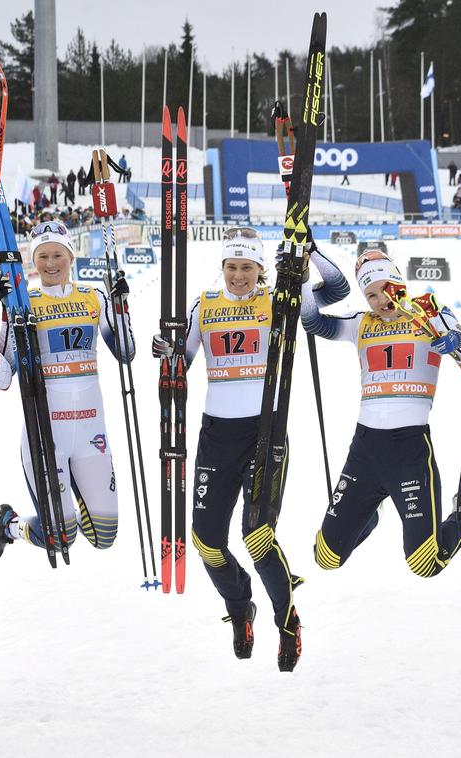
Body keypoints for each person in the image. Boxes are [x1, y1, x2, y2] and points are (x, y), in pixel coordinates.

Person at [149, 228, 347, 672]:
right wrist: (168, 353)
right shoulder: (205, 305)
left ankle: (287, 619)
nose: (239, 275)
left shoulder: (279, 300)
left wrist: (308, 256)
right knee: (206, 542)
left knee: (257, 538)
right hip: (216, 435)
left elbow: (336, 289)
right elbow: (183, 359)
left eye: (248, 267)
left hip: (265, 435)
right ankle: (241, 607)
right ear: (222, 268)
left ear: (261, 269)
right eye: (232, 267)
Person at [303, 249, 461, 579]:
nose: (380, 298)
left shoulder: (428, 311)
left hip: (409, 451)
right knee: (325, 556)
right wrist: (305, 268)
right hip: (365, 450)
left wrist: (455, 340)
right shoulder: (361, 323)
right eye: (370, 293)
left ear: (398, 281)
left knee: (424, 564)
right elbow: (313, 322)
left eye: (386, 287)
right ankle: (369, 515)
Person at [0, 221, 133, 562]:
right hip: (46, 432)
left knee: (105, 534)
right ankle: (10, 525)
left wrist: (120, 307)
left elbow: (125, 352)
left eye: (57, 255)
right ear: (34, 261)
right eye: (43, 256)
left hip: (91, 433)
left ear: (71, 255)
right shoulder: (25, 302)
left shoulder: (94, 297)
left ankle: (62, 505)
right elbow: (4, 376)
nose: (51, 264)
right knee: (60, 537)